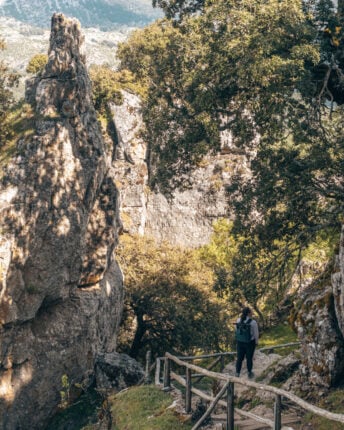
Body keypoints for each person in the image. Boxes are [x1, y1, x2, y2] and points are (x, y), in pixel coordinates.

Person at [235, 306, 259, 379]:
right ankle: (249, 372)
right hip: (249, 342)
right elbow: (256, 334)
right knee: (249, 358)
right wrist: (256, 342)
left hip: (240, 342)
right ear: (248, 313)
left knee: (239, 358)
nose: (252, 312)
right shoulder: (253, 322)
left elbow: (236, 330)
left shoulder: (238, 320)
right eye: (251, 311)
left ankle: (237, 373)